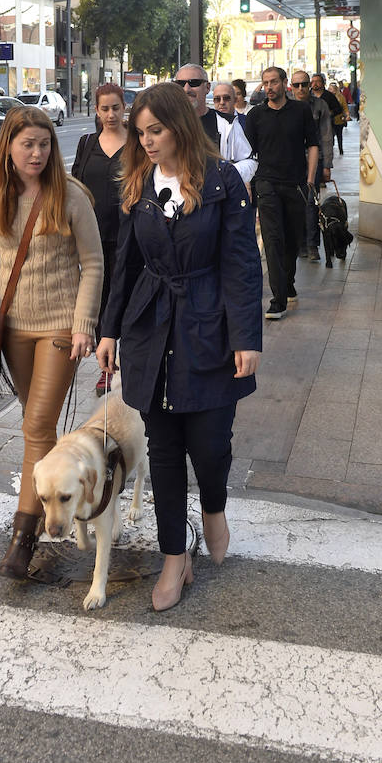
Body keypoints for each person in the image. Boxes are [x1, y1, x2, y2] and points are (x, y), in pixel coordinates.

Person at [97, 83, 262, 612]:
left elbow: (242, 264)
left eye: (155, 131)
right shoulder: (138, 183)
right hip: (152, 326)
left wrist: (246, 337)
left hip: (208, 323)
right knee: (164, 451)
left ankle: (213, 507)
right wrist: (109, 330)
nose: (145, 141)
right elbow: (125, 262)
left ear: (179, 128)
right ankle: (173, 556)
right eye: (140, 132)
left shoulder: (223, 180)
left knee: (210, 445)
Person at [0, 107, 103, 580]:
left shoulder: (72, 195)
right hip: (12, 325)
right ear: (8, 147)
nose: (36, 153)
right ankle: (62, 494)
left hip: (59, 327)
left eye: (44, 144)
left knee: (38, 424)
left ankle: (23, 540)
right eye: (27, 144)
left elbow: (93, 263)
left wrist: (83, 324)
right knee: (37, 426)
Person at [244, 66, 318, 320]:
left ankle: (288, 282)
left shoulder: (300, 110)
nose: (269, 87)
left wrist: (309, 180)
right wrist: (248, 183)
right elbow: (247, 154)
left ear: (284, 83)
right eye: (265, 83)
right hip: (266, 184)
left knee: (292, 240)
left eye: (274, 82)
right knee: (272, 240)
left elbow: (314, 144)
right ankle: (278, 299)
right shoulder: (255, 115)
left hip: (296, 184)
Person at [72, 82, 128, 396]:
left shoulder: (136, 143)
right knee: (100, 303)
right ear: (96, 110)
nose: (110, 114)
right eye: (104, 108)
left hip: (128, 236)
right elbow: (75, 187)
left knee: (124, 300)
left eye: (115, 108)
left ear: (124, 108)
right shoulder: (86, 143)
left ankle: (127, 363)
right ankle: (106, 368)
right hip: (92, 239)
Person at [289, 72, 333, 262]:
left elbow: (326, 136)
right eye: (296, 85)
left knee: (310, 203)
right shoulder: (286, 106)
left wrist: (327, 165)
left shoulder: (320, 106)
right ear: (290, 86)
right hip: (290, 162)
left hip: (314, 162)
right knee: (295, 204)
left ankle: (312, 244)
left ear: (310, 86)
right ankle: (300, 244)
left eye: (304, 84)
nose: (301, 89)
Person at [211, 81, 256, 191]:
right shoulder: (206, 123)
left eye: (226, 98)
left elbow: (252, 159)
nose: (222, 103)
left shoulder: (246, 123)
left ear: (235, 100)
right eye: (217, 99)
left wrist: (245, 180)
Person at [173, 63, 219, 145]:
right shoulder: (166, 123)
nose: (186, 89)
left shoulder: (227, 124)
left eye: (194, 83)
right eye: (181, 83)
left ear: (207, 87)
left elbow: (244, 157)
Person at [311, 73, 347, 155]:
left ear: (323, 83)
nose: (315, 84)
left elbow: (338, 109)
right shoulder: (308, 95)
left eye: (317, 81)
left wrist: (330, 113)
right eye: (313, 81)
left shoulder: (329, 96)